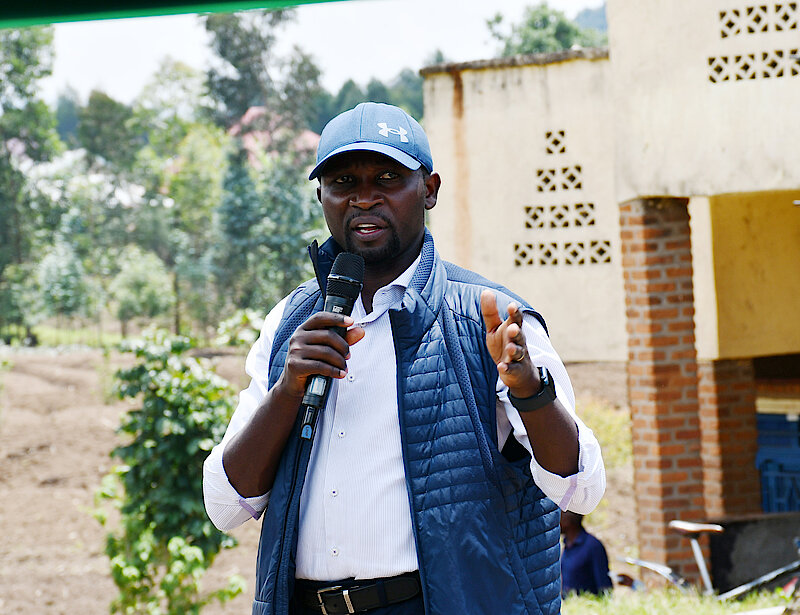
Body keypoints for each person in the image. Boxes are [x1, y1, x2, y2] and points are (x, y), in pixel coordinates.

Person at [203, 102, 606, 615]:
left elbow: (581, 489)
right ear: (321, 196)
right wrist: (287, 391)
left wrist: (530, 390)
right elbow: (226, 505)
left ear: (429, 190)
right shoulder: (291, 322)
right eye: (343, 181)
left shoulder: (490, 318)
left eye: (388, 178)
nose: (364, 198)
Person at [559, 511, 613, 596]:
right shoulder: (566, 545)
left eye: (561, 515)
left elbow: (604, 585)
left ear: (569, 519)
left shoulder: (592, 546)